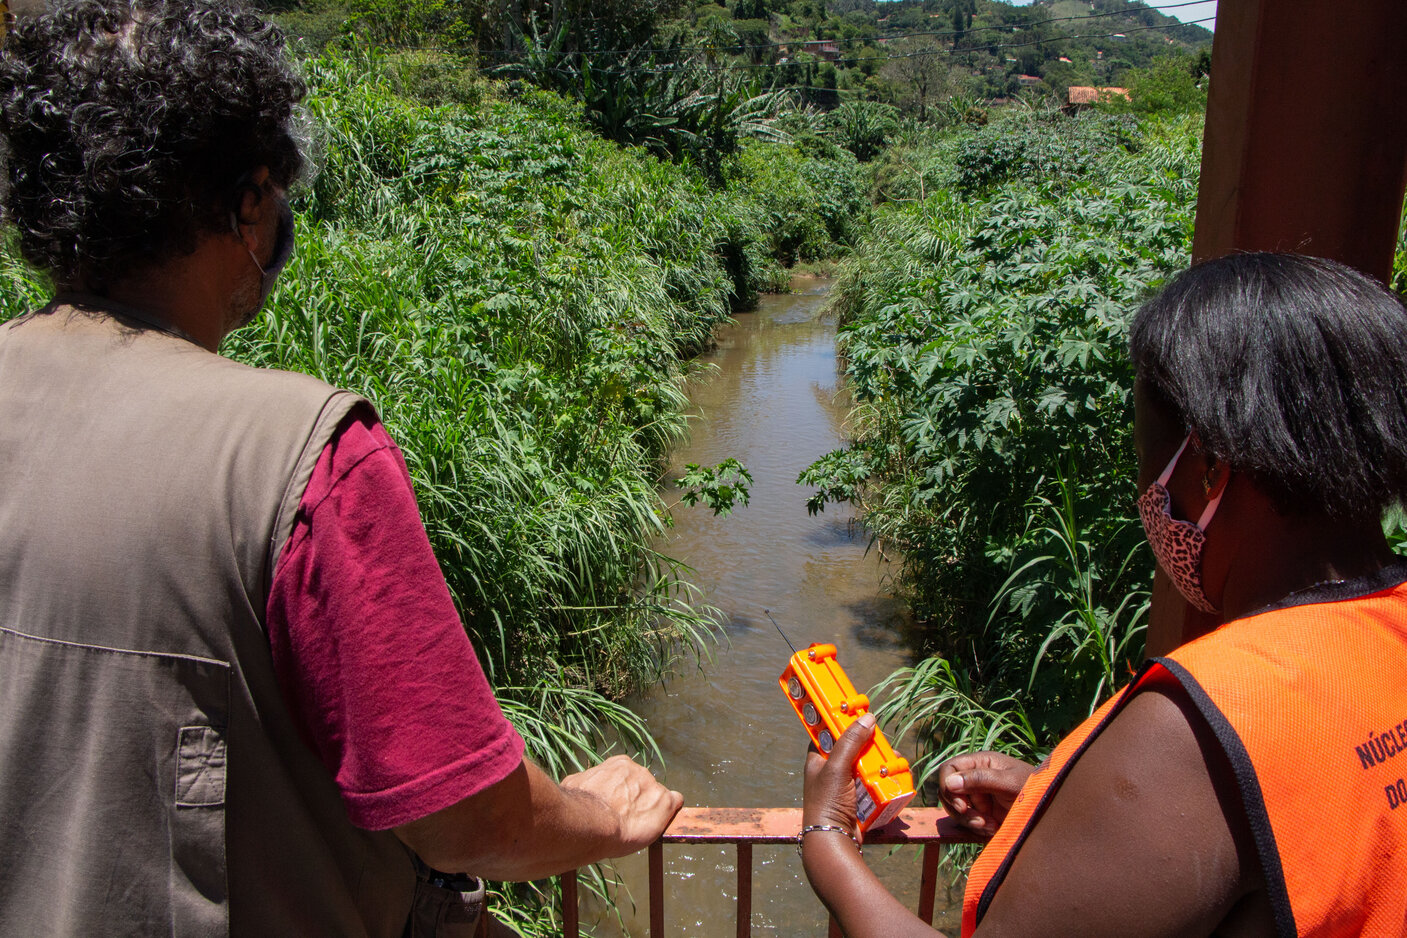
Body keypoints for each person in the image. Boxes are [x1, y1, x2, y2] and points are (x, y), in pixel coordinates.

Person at [0, 2, 681, 935]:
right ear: (247, 206)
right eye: (273, 193)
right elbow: (467, 819)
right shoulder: (304, 452)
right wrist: (605, 816)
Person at [800, 253, 1407, 936]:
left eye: (1144, 451)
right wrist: (1064, 807)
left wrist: (826, 838)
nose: (1141, 487)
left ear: (1207, 467)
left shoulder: (1197, 724)